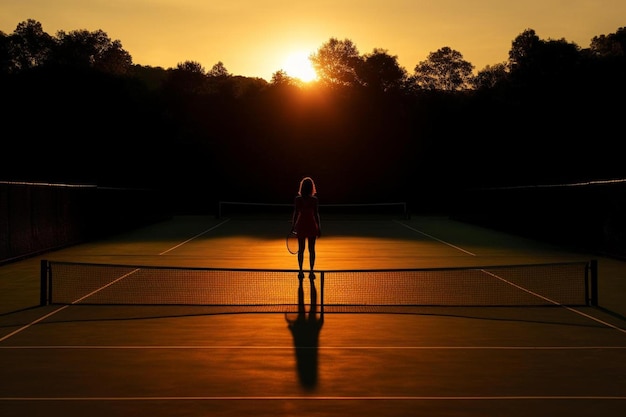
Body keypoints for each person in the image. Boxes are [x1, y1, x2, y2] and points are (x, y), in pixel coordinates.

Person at [291, 176, 321, 280]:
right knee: (311, 250)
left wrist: (293, 226)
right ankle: (311, 272)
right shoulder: (314, 200)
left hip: (301, 226)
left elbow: (296, 214)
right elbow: (316, 215)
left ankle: (300, 271)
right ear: (311, 187)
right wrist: (319, 228)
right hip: (311, 226)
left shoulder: (298, 199)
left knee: (301, 250)